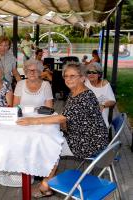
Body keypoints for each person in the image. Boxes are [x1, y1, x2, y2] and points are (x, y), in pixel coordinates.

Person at [16, 62, 109, 198]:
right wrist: (63, 126)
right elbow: (66, 119)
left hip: (90, 143)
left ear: (83, 78)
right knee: (52, 140)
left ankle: (46, 184)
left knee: (51, 145)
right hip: (84, 135)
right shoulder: (75, 92)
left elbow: (62, 118)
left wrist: (33, 121)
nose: (68, 79)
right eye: (66, 76)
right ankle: (46, 180)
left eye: (72, 76)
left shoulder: (84, 97)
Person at [85, 62, 116, 127]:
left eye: (94, 72)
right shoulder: (85, 82)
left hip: (100, 122)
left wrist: (103, 105)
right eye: (89, 72)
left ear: (99, 74)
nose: (91, 74)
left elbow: (113, 101)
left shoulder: (104, 84)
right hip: (85, 119)